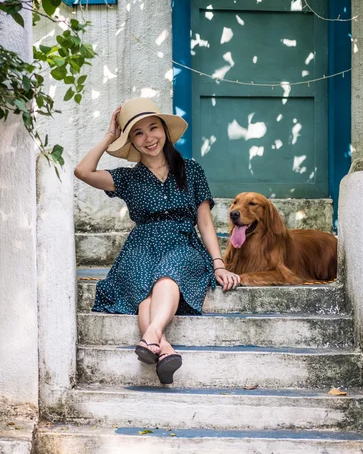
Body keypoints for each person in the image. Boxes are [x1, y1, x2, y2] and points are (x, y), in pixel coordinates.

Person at [74, 97, 240, 384]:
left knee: (169, 274)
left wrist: (218, 264)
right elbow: (83, 172)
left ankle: (150, 336)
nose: (148, 138)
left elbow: (204, 221)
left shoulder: (191, 170)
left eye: (153, 128)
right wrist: (109, 136)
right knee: (144, 289)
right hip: (142, 245)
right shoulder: (126, 179)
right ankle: (163, 349)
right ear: (131, 141)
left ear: (165, 129)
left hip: (182, 242)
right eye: (138, 133)